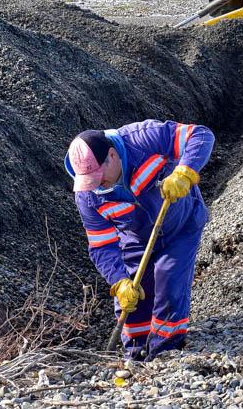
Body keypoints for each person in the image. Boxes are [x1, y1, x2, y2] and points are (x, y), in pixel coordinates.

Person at [64, 120, 214, 360]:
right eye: (90, 180)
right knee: (131, 299)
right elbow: (101, 245)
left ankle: (164, 352)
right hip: (136, 238)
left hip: (181, 224)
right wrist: (119, 280)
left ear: (112, 155)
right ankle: (135, 353)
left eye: (99, 177)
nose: (97, 185)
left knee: (169, 281)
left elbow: (201, 135)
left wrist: (185, 172)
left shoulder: (143, 138)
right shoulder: (88, 196)